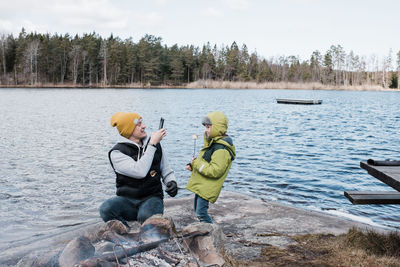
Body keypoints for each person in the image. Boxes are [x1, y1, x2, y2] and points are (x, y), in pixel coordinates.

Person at [99, 112, 178, 226]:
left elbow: (165, 169)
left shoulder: (154, 144)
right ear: (129, 130)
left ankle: (147, 227)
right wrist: (152, 145)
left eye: (142, 123)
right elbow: (139, 171)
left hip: (152, 197)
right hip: (127, 200)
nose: (144, 126)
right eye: (139, 124)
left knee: (146, 217)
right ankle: (125, 232)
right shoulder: (117, 153)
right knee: (106, 208)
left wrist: (171, 182)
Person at [185, 111, 236, 223]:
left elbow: (215, 170)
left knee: (201, 213)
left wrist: (197, 163)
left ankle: (211, 233)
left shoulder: (221, 149)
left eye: (209, 127)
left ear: (218, 127)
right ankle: (205, 231)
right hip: (202, 185)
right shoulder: (212, 143)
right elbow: (206, 163)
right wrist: (193, 166)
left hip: (207, 187)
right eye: (205, 127)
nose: (206, 130)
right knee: (198, 211)